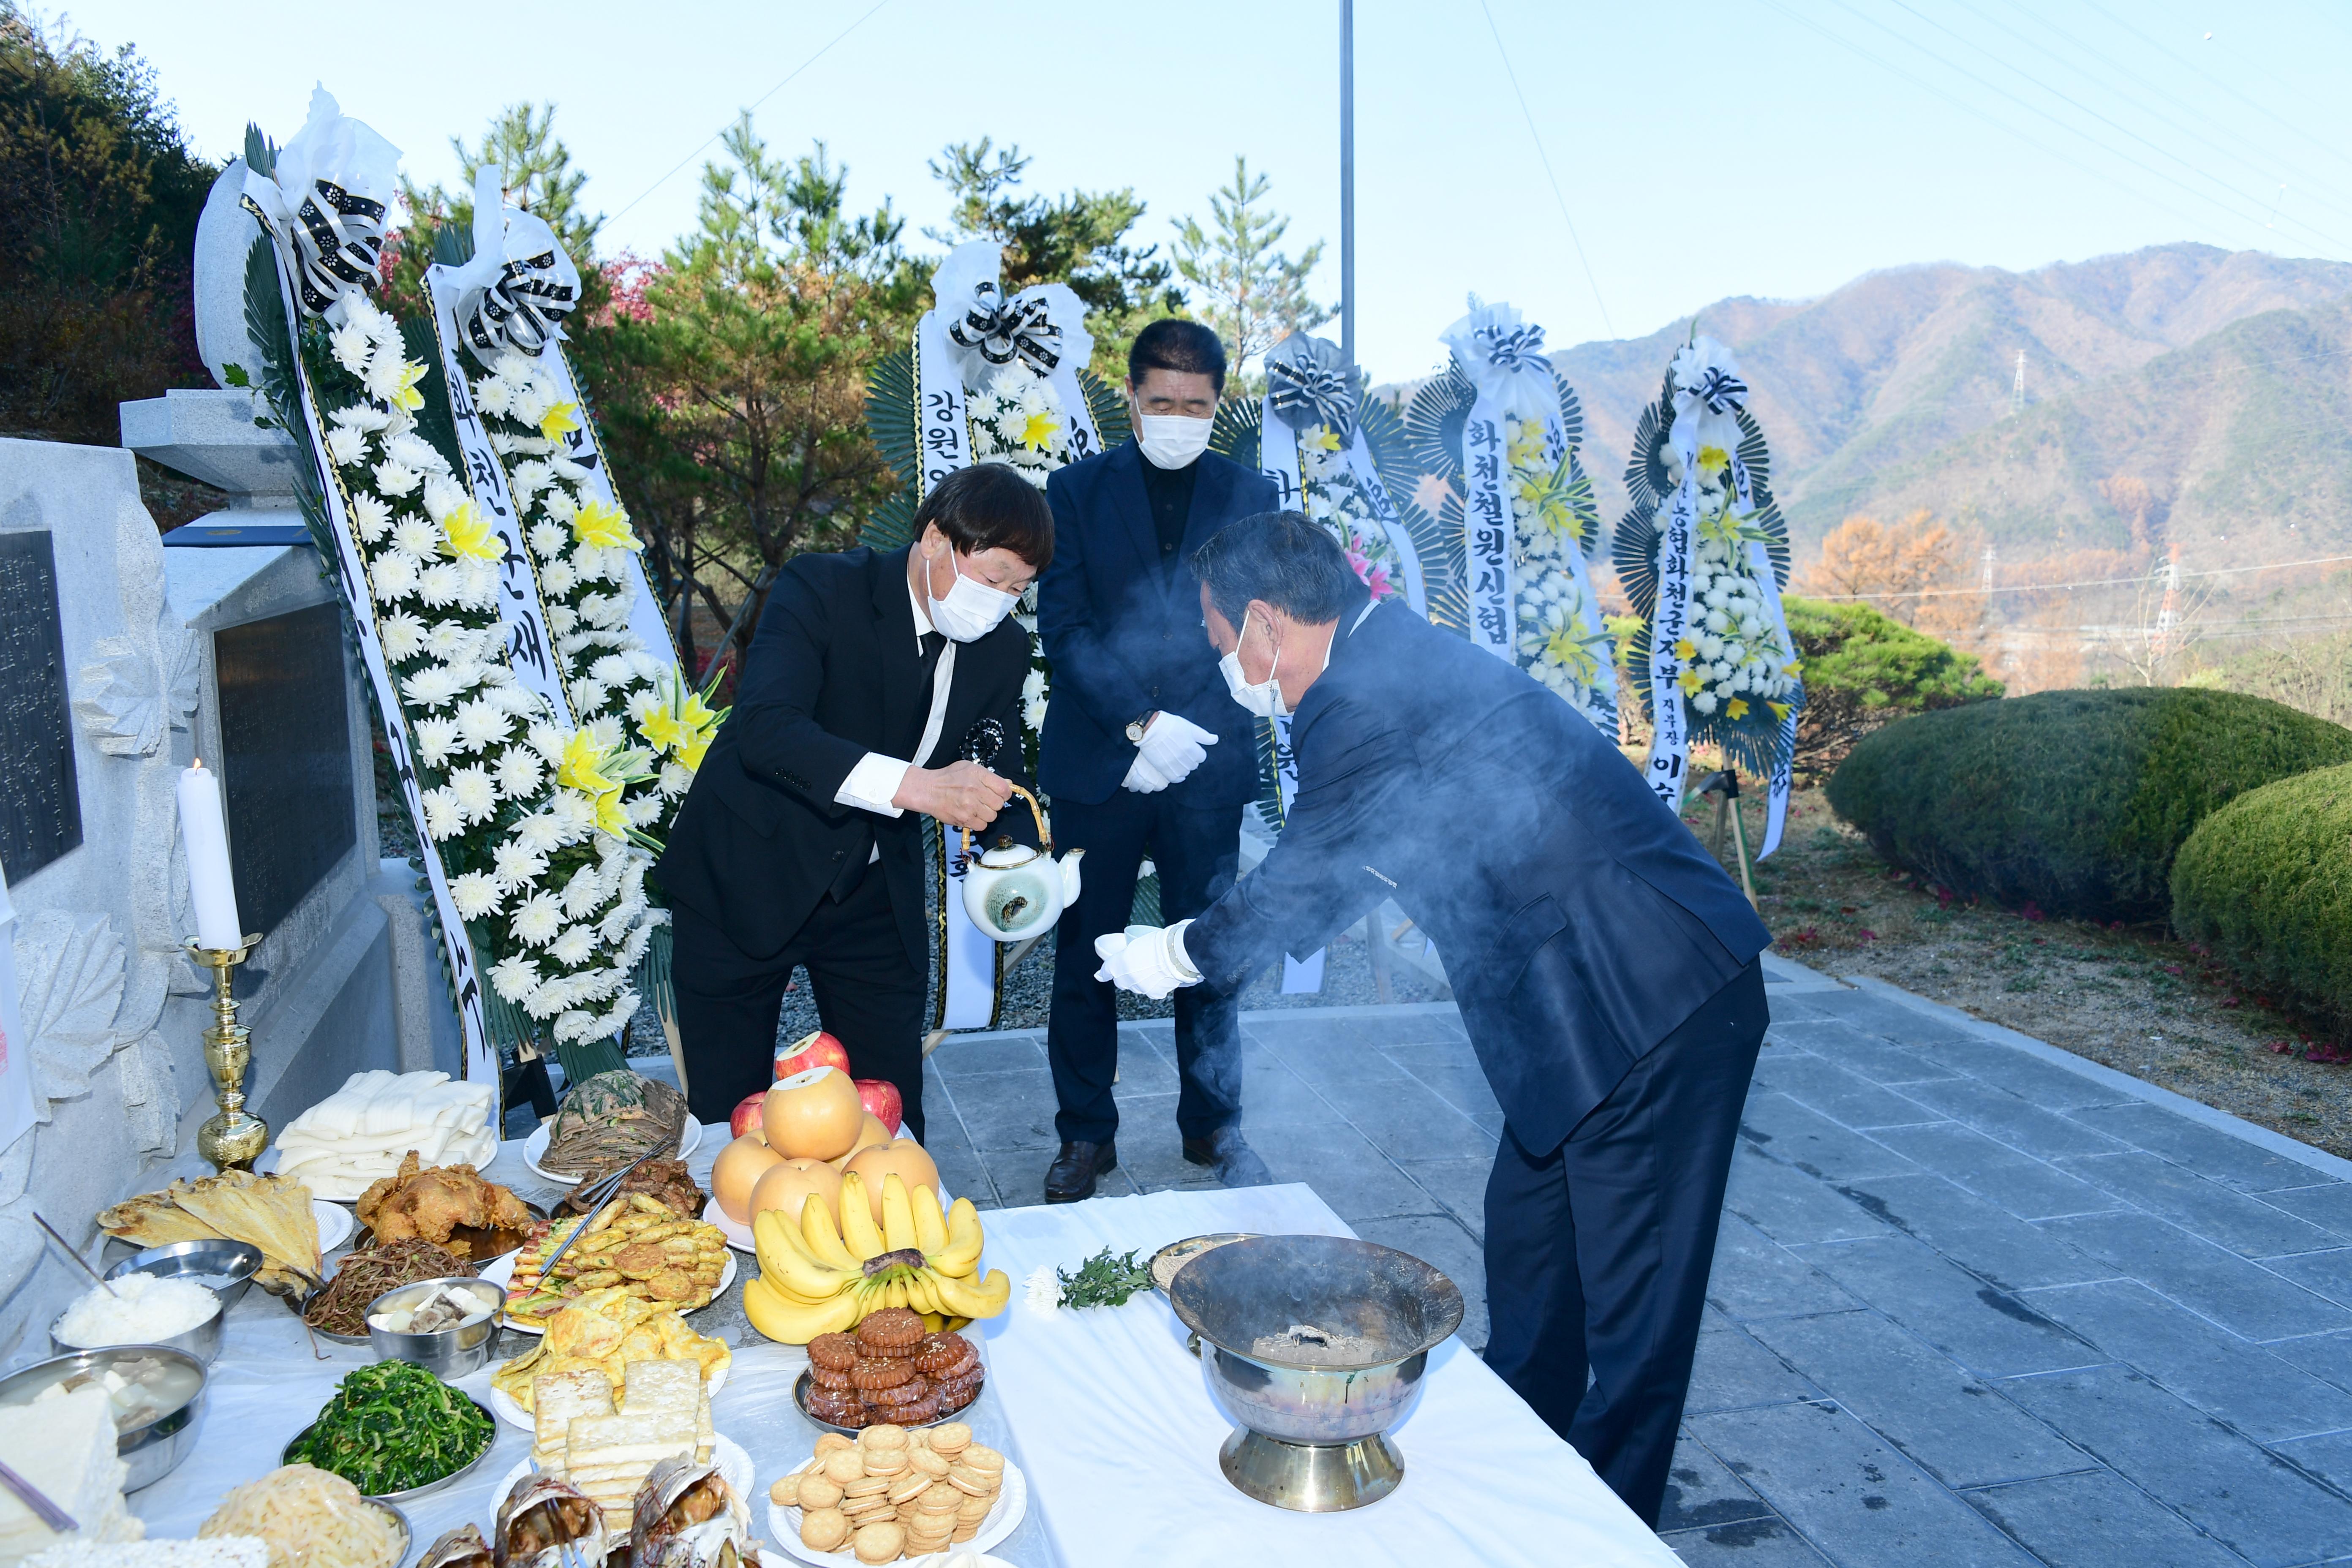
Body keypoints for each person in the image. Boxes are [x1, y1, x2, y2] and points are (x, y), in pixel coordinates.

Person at [1092, 512, 1772, 1527]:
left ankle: (1605, 1529)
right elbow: (1355, 863)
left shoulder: (1361, 698)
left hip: (1651, 998)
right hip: (1567, 1009)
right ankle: (1519, 1467)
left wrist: (1175, 950)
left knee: (1637, 1304)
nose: (1222, 659)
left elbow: (1308, 878)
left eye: (1220, 635)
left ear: (1269, 624)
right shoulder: (1379, 659)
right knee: (1534, 1260)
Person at [656, 463, 1051, 1142]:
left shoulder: (1002, 648)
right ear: (935, 540)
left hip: (870, 884)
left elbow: (995, 769)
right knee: (731, 1115)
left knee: (890, 1113)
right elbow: (767, 729)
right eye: (992, 580)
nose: (1001, 604)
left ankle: (891, 1234)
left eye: (1019, 591)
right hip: (748, 869)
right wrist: (921, 787)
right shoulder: (823, 588)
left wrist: (1029, 868)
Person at [1034, 320, 1282, 1202]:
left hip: (1206, 765)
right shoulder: (1074, 490)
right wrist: (1138, 725)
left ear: (1220, 404)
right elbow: (1064, 625)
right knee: (1085, 952)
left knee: (1212, 949)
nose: (1179, 417)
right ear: (1133, 400)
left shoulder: (1251, 490)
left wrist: (1188, 733)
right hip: (1101, 760)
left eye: (1197, 405)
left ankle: (1213, 1123)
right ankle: (1084, 1134)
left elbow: (1260, 622)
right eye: (1162, 402)